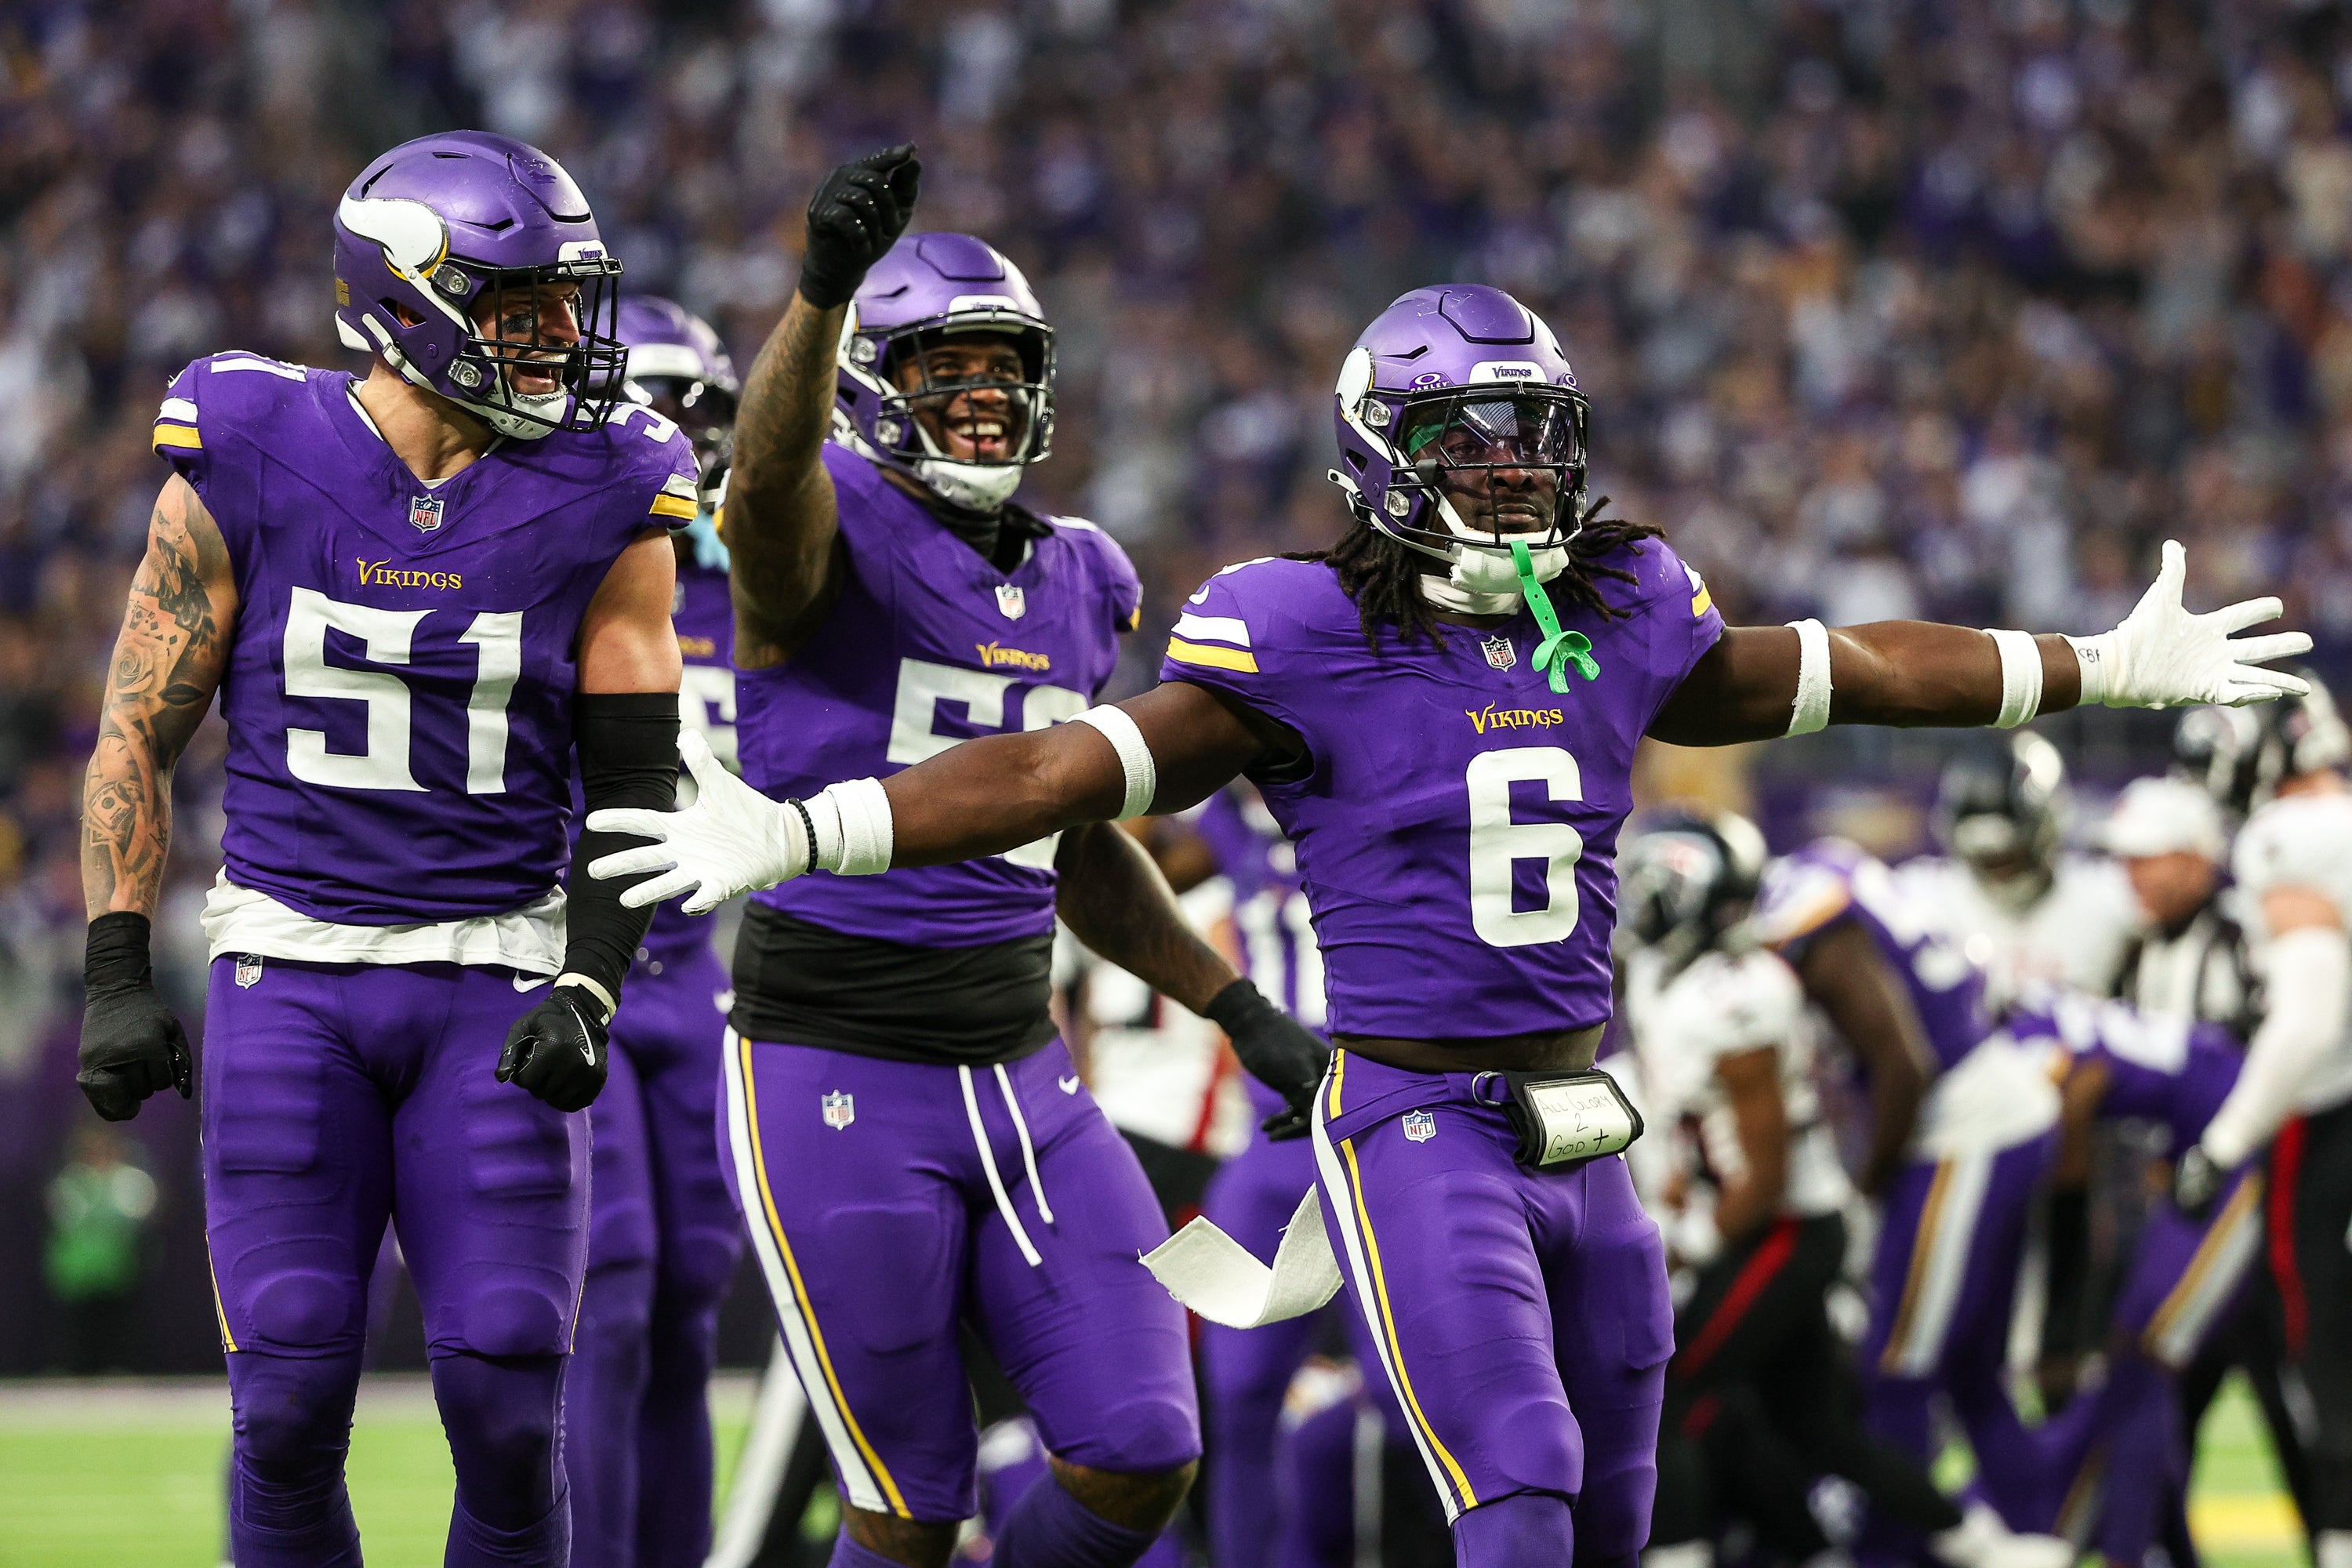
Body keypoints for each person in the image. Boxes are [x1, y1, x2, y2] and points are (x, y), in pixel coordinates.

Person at [588, 279, 2309, 1565]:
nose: (1503, 476)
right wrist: (819, 823)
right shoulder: (1294, 629)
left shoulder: (1621, 603)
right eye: (1459, 443)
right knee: (1523, 1472)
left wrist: (2095, 666)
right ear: (1378, 456)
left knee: (1613, 1507)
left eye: (1527, 439)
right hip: (1412, 1117)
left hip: (1588, 1120)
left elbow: (1843, 667)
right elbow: (1069, 769)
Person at [668, 146, 1328, 1568]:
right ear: (867, 384)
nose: (979, 393)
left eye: (1000, 365)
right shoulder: (818, 529)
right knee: (907, 1511)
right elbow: (766, 485)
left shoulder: (1086, 575)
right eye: (938, 368)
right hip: (829, 1063)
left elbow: (1079, 842)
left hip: (1024, 1069)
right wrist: (823, 291)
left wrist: (1237, 1007)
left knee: (1144, 1443)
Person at [74, 131, 694, 1566]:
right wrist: (116, 962)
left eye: (565, 302)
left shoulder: (615, 487)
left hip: (497, 973)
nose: (560, 338)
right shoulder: (245, 444)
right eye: (523, 302)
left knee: (505, 1397)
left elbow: (635, 788)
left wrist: (594, 982)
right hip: (291, 971)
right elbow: (132, 728)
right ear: (408, 300)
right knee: (286, 1401)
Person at [1618, 813, 2064, 1568]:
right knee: (1815, 1429)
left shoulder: (1736, 994)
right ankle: (1981, 1547)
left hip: (1783, 1227)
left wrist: (1687, 1250)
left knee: (1669, 1392)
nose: (1636, 903)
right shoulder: (1673, 978)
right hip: (1762, 1220)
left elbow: (1761, 1179)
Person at [565, 295, 746, 1568]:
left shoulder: (777, 587)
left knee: (690, 1308)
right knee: (613, 1299)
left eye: (698, 413)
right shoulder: (567, 556)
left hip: (713, 978)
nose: (674, 437)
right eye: (652, 409)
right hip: (581, 959)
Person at [1748, 837, 2064, 1559]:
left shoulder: (1804, 917)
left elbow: (1903, 1061)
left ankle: (1892, 1556)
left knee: (1894, 1373)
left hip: (1958, 1131)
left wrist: (1865, 1194)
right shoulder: (1826, 865)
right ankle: (2041, 1541)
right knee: (1973, 1379)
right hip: (1994, 1109)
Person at [2169, 681, 2352, 1568]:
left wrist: (2224, 1140)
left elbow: (2310, 1015)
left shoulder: (2294, 835)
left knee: (2326, 1353)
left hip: (2329, 1126)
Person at [2002, 995, 2263, 1568]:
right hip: (2210, 1147)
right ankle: (2170, 1555)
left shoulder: (2026, 1047)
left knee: (2144, 1357)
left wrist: (2047, 1187)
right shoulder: (2052, 1020)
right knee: (2136, 1366)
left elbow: (2081, 1089)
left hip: (2246, 1150)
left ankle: (2128, 1553)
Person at [1895, 731, 2137, 1004]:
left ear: (2047, 832)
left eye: (2012, 854)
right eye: (1985, 858)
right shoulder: (1926, 900)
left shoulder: (2109, 899)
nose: (2000, 869)